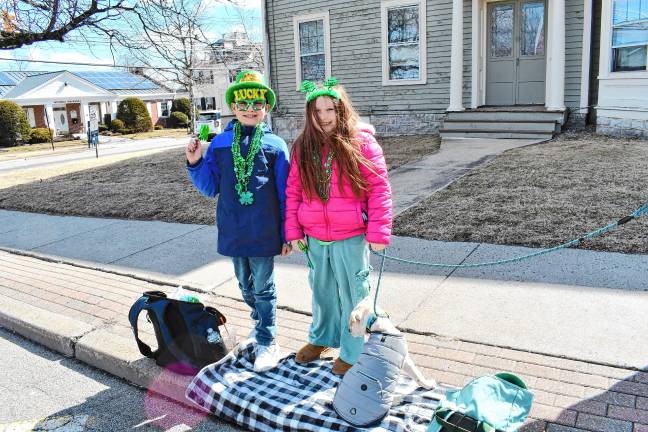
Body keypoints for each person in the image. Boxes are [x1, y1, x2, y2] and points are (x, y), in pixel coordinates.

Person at [285, 77, 392, 376]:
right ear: (310, 114)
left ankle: (353, 351)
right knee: (321, 292)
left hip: (351, 235)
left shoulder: (362, 143)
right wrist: (293, 232)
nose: (324, 116)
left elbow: (379, 189)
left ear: (341, 109)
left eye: (330, 109)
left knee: (353, 295)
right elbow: (292, 191)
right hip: (315, 237)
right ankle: (322, 338)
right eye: (317, 111)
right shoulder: (302, 147)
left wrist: (379, 232)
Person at [185, 70, 291, 372]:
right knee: (245, 285)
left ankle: (268, 340)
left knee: (263, 288)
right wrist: (195, 162)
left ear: (266, 108)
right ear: (233, 106)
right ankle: (260, 327)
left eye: (257, 104)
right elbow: (209, 187)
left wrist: (287, 232)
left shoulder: (275, 145)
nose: (250, 109)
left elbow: (285, 192)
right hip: (232, 227)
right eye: (243, 103)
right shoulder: (219, 144)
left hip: (264, 229)